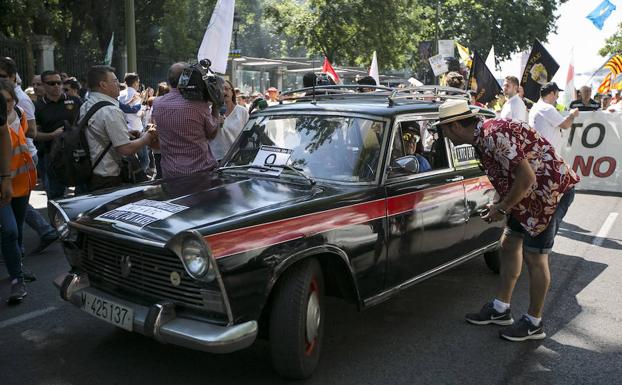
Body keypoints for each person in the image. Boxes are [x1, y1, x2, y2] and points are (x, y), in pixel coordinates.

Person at [435, 99, 579, 341]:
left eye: (444, 131)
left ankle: (534, 323)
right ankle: (501, 309)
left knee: (536, 257)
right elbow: (507, 175)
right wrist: (499, 203)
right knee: (509, 245)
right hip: (529, 194)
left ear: (456, 126)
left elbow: (527, 178)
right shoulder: (482, 137)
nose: (445, 137)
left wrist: (502, 208)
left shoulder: (493, 135)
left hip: (549, 193)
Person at [81, 65, 157, 191]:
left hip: (90, 171)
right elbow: (125, 149)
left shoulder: (86, 104)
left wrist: (125, 132)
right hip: (108, 177)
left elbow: (97, 131)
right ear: (103, 85)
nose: (119, 84)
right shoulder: (110, 110)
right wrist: (147, 138)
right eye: (115, 81)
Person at [0, 80, 38, 303]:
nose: (4, 105)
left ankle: (18, 268)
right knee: (10, 232)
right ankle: (17, 280)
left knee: (18, 231)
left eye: (7, 100)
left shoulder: (21, 114)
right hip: (3, 185)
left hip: (23, 183)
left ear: (13, 100)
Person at [152, 62, 219, 179]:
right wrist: (216, 106)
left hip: (170, 173)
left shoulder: (157, 103)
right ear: (187, 78)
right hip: (200, 173)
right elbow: (212, 133)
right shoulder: (198, 104)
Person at [34, 70, 82, 199]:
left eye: (59, 82)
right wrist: (52, 135)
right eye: (51, 83)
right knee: (55, 195)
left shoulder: (75, 101)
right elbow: (34, 134)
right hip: (52, 155)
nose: (56, 85)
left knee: (83, 192)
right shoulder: (38, 107)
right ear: (43, 85)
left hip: (77, 153)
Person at [528, 82, 579, 153]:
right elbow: (565, 125)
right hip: (547, 155)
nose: (557, 98)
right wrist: (572, 115)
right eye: (557, 95)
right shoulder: (547, 108)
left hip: (539, 151)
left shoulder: (535, 107)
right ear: (552, 94)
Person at [210, 80, 249, 161]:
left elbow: (248, 136)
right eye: (221, 89)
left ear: (232, 92)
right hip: (215, 159)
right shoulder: (209, 112)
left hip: (236, 158)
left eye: (227, 89)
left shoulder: (242, 112)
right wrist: (215, 124)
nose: (224, 92)